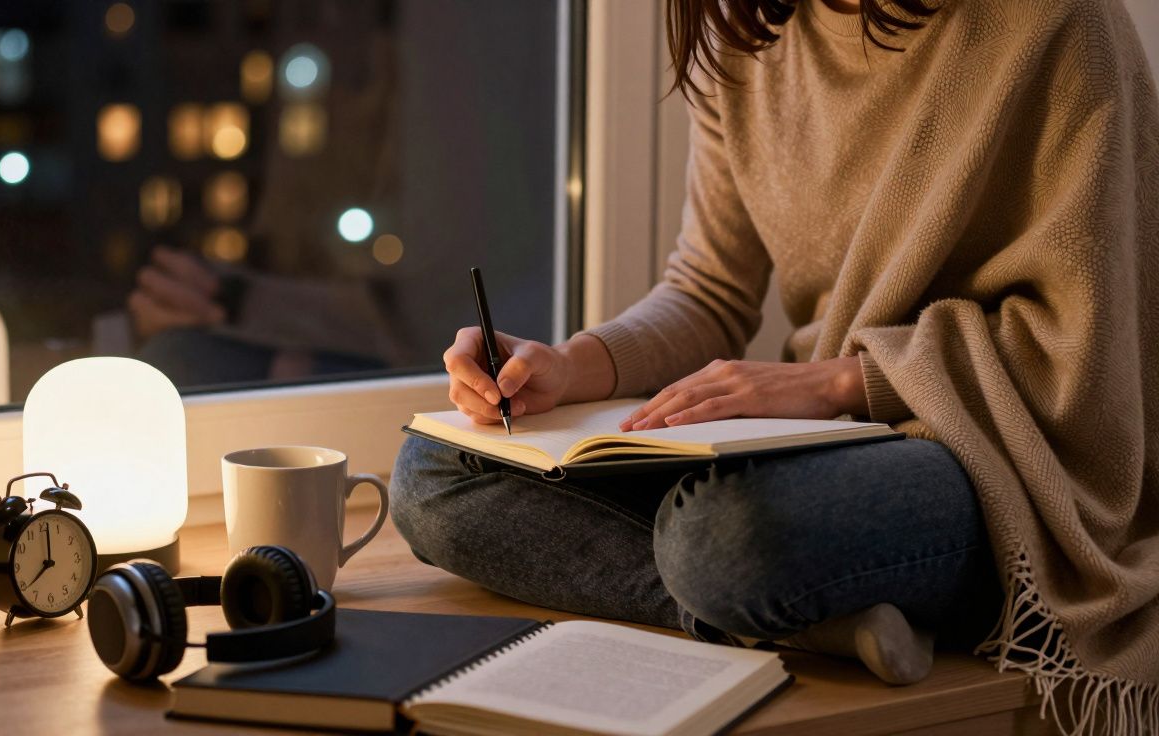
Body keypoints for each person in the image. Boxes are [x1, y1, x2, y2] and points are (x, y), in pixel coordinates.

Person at [389, 0, 1159, 731]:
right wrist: (570, 366)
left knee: (728, 536)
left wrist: (836, 382)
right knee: (432, 475)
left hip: (997, 451)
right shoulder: (746, 30)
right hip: (823, 447)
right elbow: (708, 288)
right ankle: (822, 620)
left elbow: (1084, 345)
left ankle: (766, 591)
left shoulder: (1056, 22)